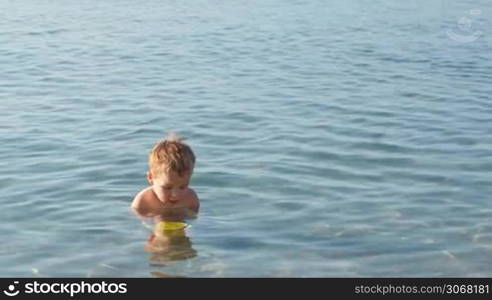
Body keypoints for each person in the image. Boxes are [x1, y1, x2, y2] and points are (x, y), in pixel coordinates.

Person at [132, 133, 199, 221]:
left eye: (183, 187)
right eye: (167, 187)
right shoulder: (143, 202)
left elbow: (193, 220)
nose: (175, 195)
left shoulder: (190, 199)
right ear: (151, 178)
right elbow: (138, 225)